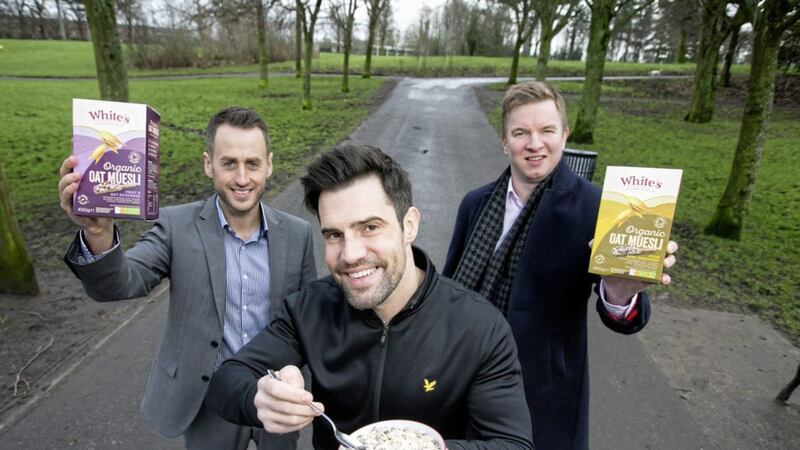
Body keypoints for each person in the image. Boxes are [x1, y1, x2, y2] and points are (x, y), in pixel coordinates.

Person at [204, 145, 533, 450]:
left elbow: (512, 443)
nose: (351, 254)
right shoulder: (310, 308)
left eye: (370, 227)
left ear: (409, 225)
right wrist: (258, 399)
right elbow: (227, 379)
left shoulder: (479, 326)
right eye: (334, 235)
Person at [58, 107, 317, 450]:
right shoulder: (175, 226)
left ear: (269, 164)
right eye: (229, 164)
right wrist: (98, 233)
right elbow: (122, 283)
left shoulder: (298, 234)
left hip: (278, 393)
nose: (242, 178)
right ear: (209, 164)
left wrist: (312, 385)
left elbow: (309, 319)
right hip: (208, 399)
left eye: (252, 164)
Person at [443, 81, 679, 450]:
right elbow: (449, 289)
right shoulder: (475, 203)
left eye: (546, 131)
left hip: (543, 390)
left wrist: (620, 291)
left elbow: (622, 313)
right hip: (465, 375)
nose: (534, 144)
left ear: (564, 135)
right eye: (521, 133)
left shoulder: (601, 208)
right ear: (505, 141)